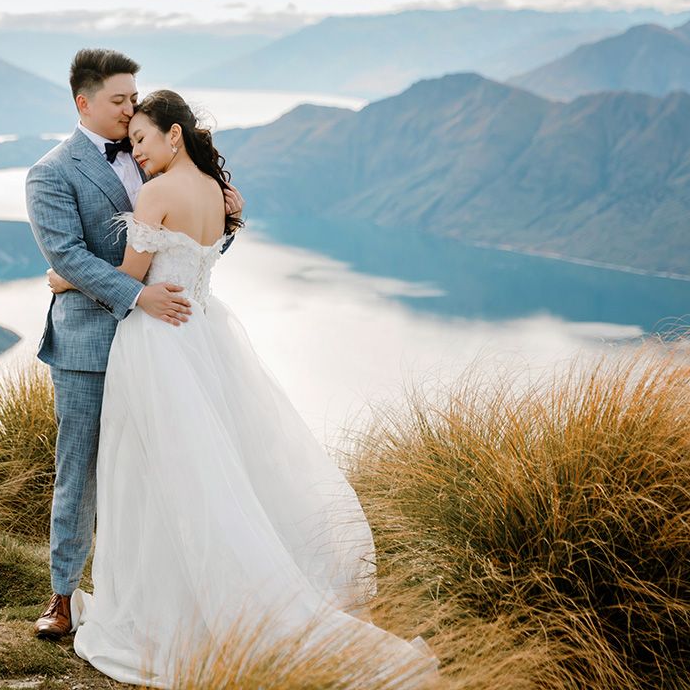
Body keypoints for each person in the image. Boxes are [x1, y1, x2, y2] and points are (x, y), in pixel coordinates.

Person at [44, 90, 438, 687]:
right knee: (209, 472)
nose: (138, 153)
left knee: (150, 477)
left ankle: (167, 613)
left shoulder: (155, 193)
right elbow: (210, 251)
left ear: (173, 135)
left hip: (157, 343)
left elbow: (127, 277)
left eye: (144, 140)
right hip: (204, 336)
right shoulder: (214, 191)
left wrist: (62, 279)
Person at [24, 50, 244, 640]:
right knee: (81, 470)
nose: (130, 109)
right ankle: (63, 597)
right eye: (119, 100)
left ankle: (170, 597)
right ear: (84, 103)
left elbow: (183, 247)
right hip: (90, 343)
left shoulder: (156, 158)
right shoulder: (51, 172)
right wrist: (136, 296)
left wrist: (226, 223)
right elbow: (64, 254)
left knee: (162, 470)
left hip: (161, 342)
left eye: (133, 98)